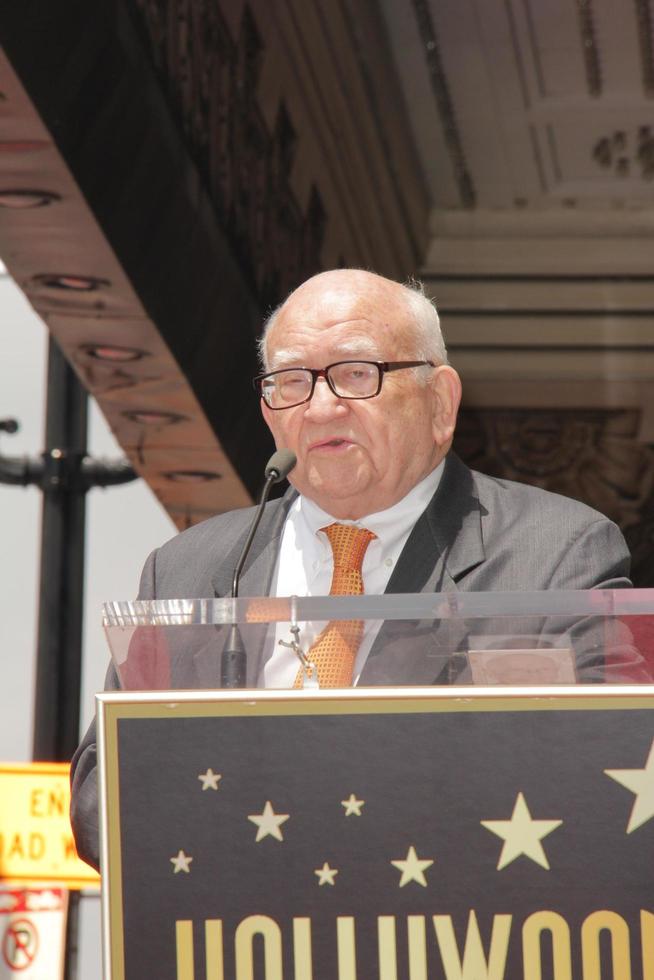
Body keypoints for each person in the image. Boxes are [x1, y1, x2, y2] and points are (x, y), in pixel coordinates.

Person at [70, 268, 639, 869]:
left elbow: (610, 772)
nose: (319, 407)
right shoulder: (190, 568)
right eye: (290, 382)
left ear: (439, 401)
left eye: (355, 374)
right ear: (270, 414)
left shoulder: (555, 556)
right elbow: (96, 802)